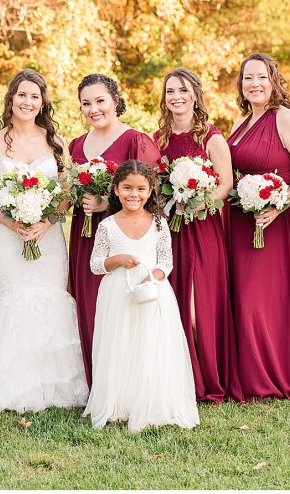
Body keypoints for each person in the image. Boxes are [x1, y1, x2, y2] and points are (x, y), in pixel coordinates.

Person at [0, 69, 88, 412]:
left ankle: (54, 387)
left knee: (51, 300)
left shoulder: (56, 144)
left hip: (48, 240)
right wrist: (14, 224)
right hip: (8, 238)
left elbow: (66, 195)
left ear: (42, 102)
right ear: (11, 98)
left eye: (34, 96)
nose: (27, 102)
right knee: (13, 302)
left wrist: (46, 223)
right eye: (21, 95)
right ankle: (9, 388)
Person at [225, 53, 290, 401]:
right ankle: (245, 374)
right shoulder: (239, 124)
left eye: (261, 77)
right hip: (239, 222)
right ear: (241, 85)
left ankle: (271, 375)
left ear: (273, 80)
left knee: (263, 301)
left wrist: (278, 206)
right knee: (241, 297)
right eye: (248, 78)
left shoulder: (287, 120)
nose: (255, 84)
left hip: (274, 225)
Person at [85, 160, 198, 431]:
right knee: (121, 343)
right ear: (115, 190)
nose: (133, 194)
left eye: (140, 189)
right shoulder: (107, 226)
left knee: (151, 345)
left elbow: (166, 261)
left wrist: (154, 277)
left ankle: (152, 402)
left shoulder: (159, 223)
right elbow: (95, 264)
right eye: (126, 188)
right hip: (117, 294)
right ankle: (120, 403)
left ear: (150, 192)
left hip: (153, 293)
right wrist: (118, 259)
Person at [67, 74, 160, 387]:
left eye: (100, 101)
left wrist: (107, 199)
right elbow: (70, 191)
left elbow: (147, 195)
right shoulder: (77, 145)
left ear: (116, 102)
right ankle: (98, 383)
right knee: (90, 304)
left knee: (122, 307)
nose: (94, 109)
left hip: (125, 237)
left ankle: (129, 384)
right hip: (85, 234)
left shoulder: (136, 141)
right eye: (86, 103)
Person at [153, 67, 233, 403]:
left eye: (183, 91)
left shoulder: (211, 137)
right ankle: (179, 375)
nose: (177, 97)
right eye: (170, 91)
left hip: (203, 226)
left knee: (201, 300)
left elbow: (226, 183)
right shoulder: (158, 138)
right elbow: (154, 182)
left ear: (195, 95)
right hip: (170, 229)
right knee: (174, 298)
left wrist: (199, 201)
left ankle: (208, 376)